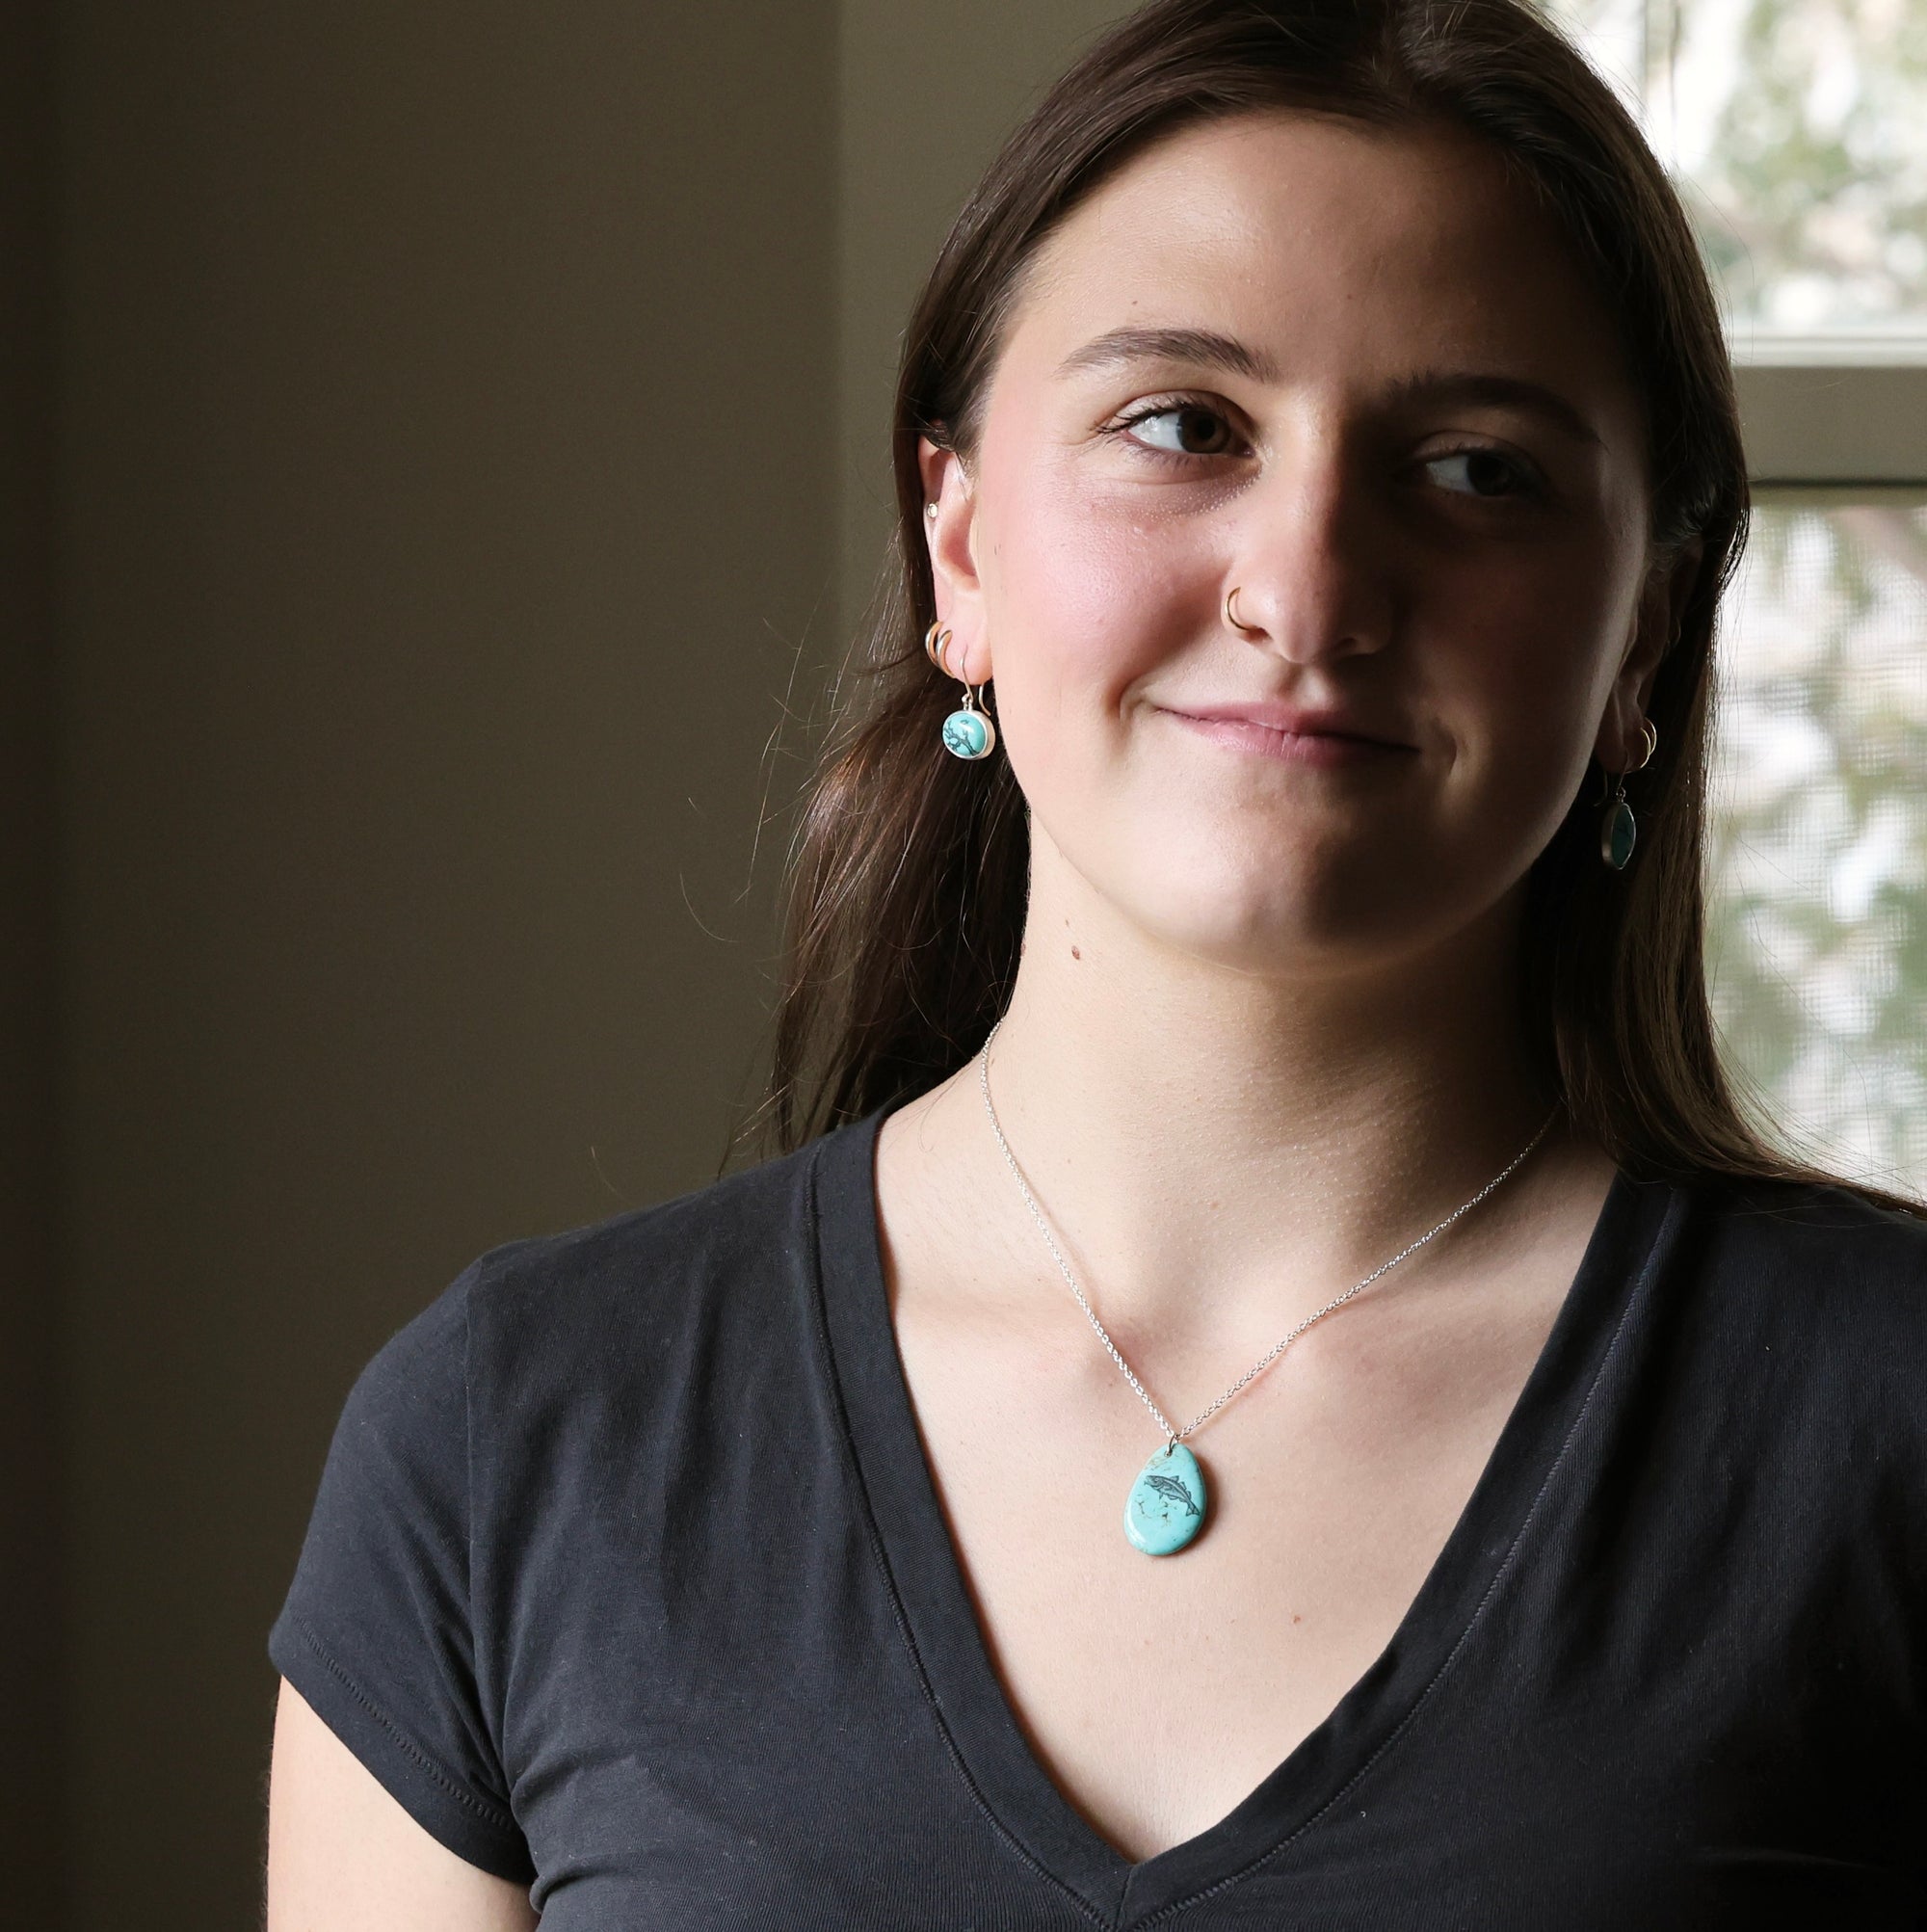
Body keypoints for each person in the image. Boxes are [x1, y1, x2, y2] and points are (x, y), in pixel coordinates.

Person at [262, 0, 1927, 1924]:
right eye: (1181, 426)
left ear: (1642, 641)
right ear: (953, 544)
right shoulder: (509, 1441)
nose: (1303, 587)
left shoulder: (1883, 1426)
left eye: (1475, 471)